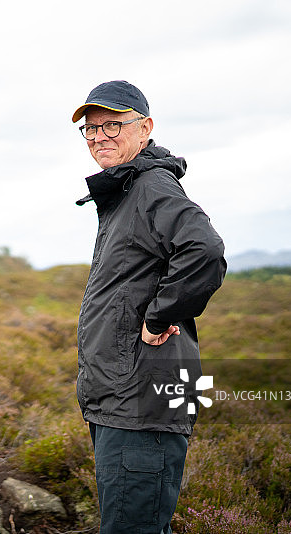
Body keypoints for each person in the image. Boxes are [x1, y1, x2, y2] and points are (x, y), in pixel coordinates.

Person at [72, 80, 226, 533]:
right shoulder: (124, 192)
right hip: (122, 396)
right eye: (91, 129)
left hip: (142, 398)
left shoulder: (151, 187)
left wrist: (161, 315)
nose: (100, 136)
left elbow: (205, 250)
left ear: (146, 129)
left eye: (113, 125)